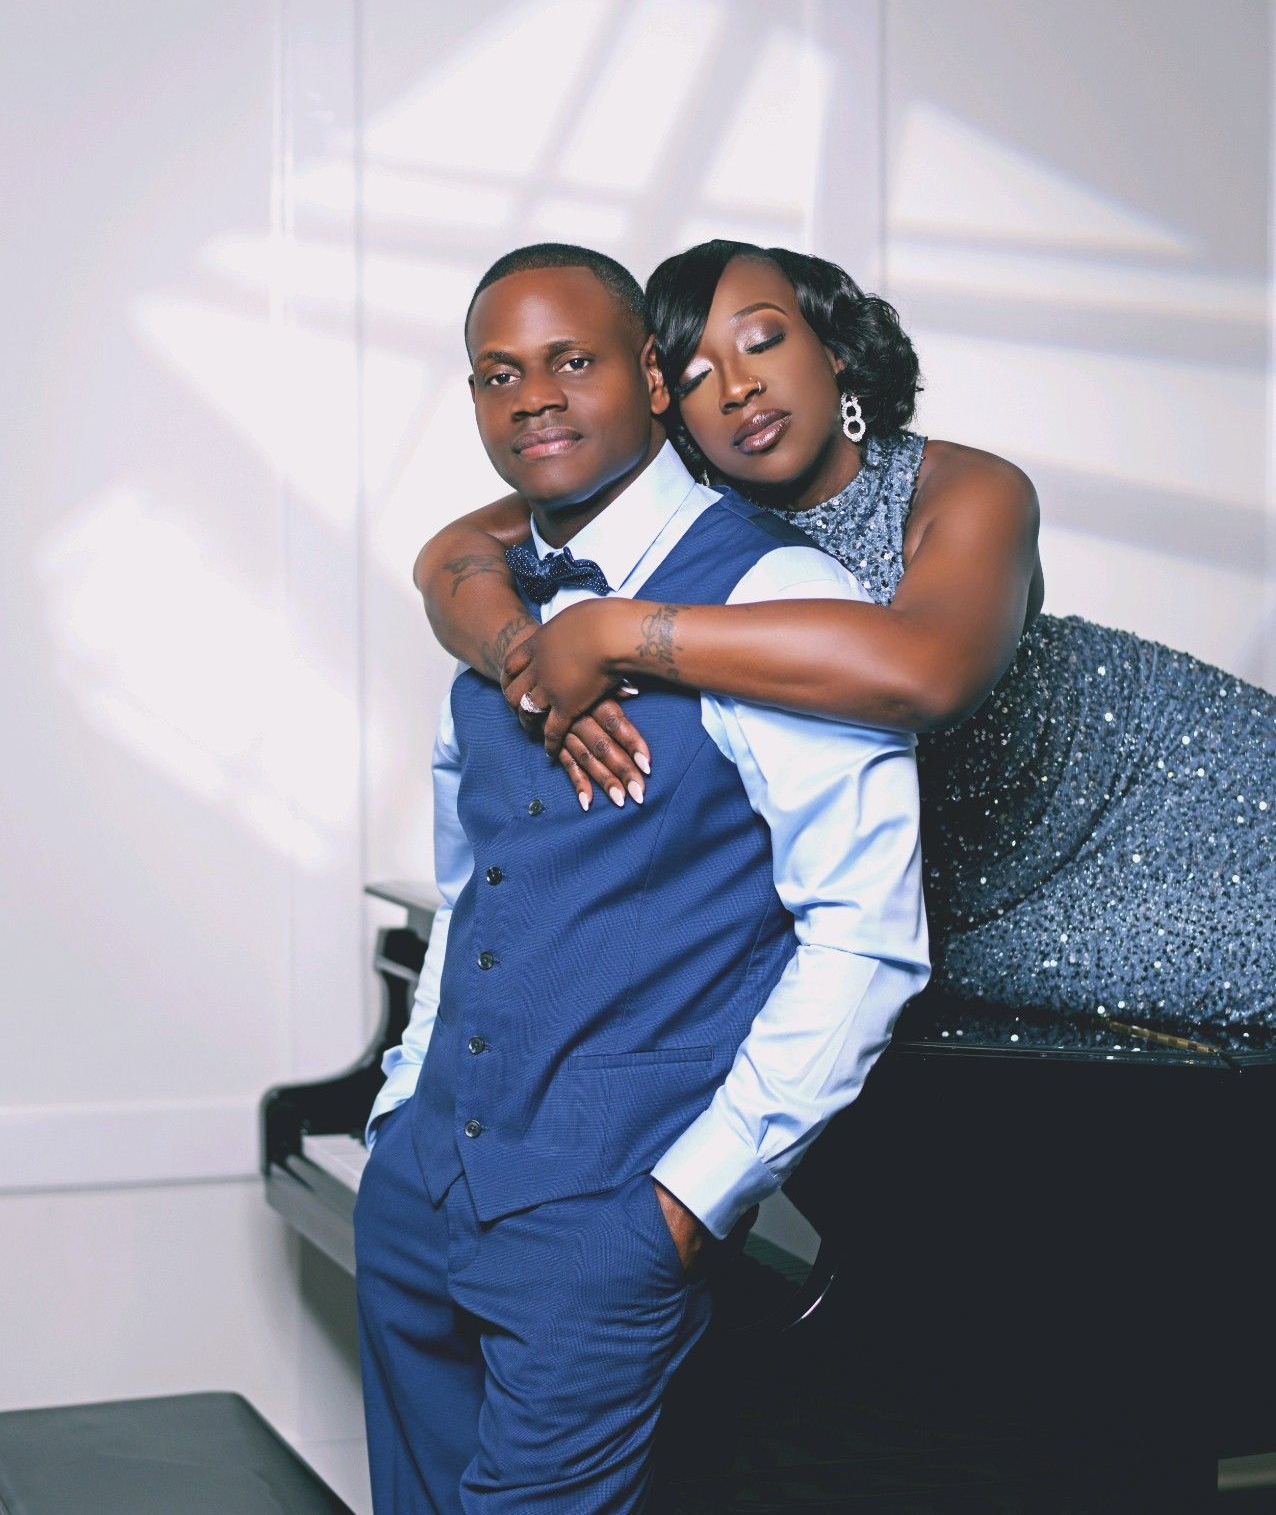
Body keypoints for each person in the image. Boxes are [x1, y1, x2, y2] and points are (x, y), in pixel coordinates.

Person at [352, 245, 929, 1512]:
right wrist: (402, 1104)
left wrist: (688, 1199)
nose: (534, 396)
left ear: (655, 384)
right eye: (500, 373)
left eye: (573, 360)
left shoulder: (775, 596)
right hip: (416, 1200)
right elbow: (474, 895)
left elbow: (867, 936)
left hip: (601, 1226)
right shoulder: (495, 607)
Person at [418, 239, 1274, 1043]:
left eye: (763, 341)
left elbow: (925, 673)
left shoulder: (965, 487)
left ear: (832, 350)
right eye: (696, 374)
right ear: (663, 403)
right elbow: (451, 555)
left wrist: (615, 631)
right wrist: (520, 658)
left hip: (1178, 797)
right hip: (972, 908)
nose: (740, 388)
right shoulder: (692, 510)